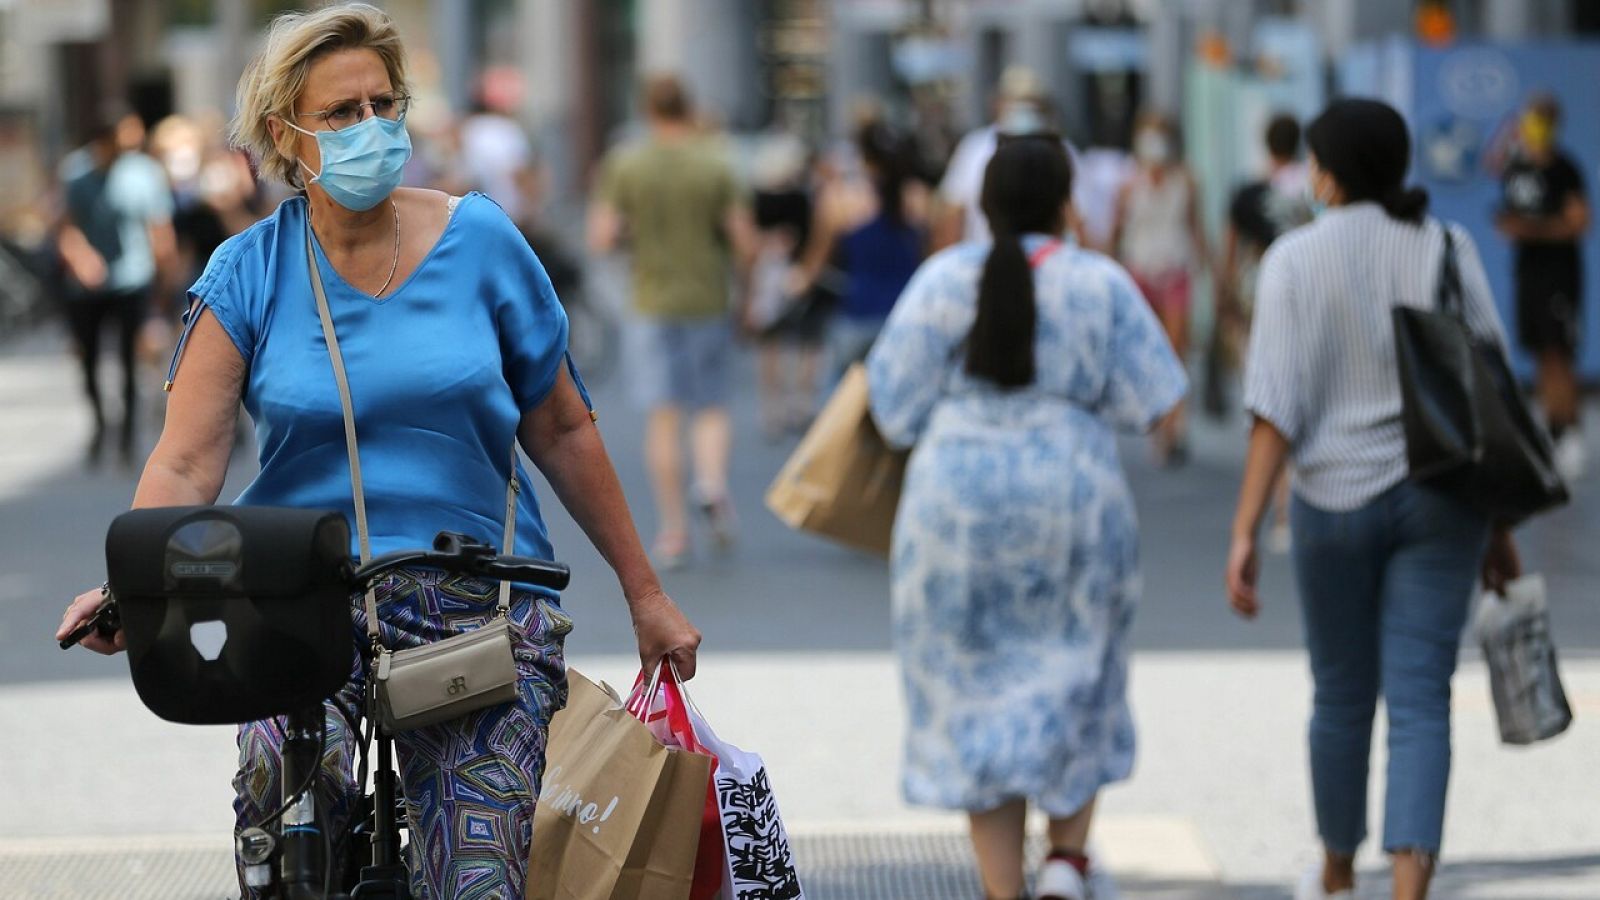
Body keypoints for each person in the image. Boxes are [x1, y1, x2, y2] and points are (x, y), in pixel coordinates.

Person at [54, 6, 701, 896]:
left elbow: (561, 427)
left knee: (477, 874)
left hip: (479, 598)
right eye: (341, 113)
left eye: (383, 104)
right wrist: (133, 584)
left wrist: (647, 594)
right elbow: (185, 461)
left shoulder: (482, 241)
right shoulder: (247, 271)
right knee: (283, 836)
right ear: (286, 135)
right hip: (297, 604)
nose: (371, 128)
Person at [868, 134, 1186, 900]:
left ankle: (1005, 888)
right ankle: (1069, 864)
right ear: (1067, 203)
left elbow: (892, 410)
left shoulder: (943, 281)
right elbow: (1156, 399)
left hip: (955, 505)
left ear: (982, 205)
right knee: (1081, 668)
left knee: (973, 688)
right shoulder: (1099, 283)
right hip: (1074, 495)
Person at [1225, 99, 1520, 900]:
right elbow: (1487, 385)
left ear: (1326, 172)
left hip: (1330, 501)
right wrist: (1499, 526)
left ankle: (1334, 871)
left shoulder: (1291, 259)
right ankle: (1407, 887)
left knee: (1342, 695)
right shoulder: (1449, 248)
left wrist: (1246, 528)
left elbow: (1273, 408)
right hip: (1441, 499)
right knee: (1422, 698)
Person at [587, 74, 758, 569]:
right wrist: (746, 293)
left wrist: (636, 237)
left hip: (651, 300)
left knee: (663, 415)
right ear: (689, 107)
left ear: (647, 110)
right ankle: (711, 483)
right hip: (708, 296)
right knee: (710, 405)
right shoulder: (716, 160)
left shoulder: (626, 162)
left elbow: (601, 236)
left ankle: (674, 530)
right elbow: (745, 242)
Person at [56, 105, 178, 465]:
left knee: (129, 359)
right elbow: (65, 225)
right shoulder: (76, 173)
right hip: (86, 286)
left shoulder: (143, 173)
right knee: (90, 359)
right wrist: (80, 258)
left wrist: (164, 280)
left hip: (131, 279)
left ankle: (126, 434)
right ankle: (99, 423)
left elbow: (160, 228)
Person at [1219, 113, 1311, 551]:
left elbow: (1230, 249)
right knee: (1298, 391)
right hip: (1305, 295)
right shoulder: (1310, 188)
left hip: (1257, 293)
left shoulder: (1249, 191)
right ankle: (1289, 506)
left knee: (1268, 397)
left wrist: (1225, 300)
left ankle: (1279, 511)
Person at [1495, 93, 1590, 482]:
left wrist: (1535, 230)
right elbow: (1493, 165)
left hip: (1558, 273)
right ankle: (1550, 428)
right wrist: (1510, 133)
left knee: (1558, 353)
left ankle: (1568, 427)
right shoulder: (1516, 167)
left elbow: (1579, 222)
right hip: (1528, 272)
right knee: (1538, 351)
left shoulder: (1565, 169)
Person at [791, 121, 928, 387]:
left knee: (844, 408)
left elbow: (816, 260)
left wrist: (796, 284)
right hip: (907, 315)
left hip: (858, 313)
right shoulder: (917, 196)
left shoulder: (841, 197)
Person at [1112, 110, 1209, 466]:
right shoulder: (1128, 183)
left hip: (1176, 268)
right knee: (1148, 350)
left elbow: (1196, 228)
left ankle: (1175, 426)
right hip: (1140, 270)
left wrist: (1211, 270)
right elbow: (1117, 230)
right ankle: (1157, 421)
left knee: (1176, 348)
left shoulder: (1187, 180)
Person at [934, 65, 1082, 250]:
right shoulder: (974, 148)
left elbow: (1077, 218)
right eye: (1014, 100)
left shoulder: (1064, 150)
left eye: (1030, 101)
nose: (1022, 108)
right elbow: (952, 215)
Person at [748, 132, 827, 439]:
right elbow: (815, 235)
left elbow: (751, 242)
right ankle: (801, 403)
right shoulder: (803, 197)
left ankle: (773, 408)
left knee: (771, 343)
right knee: (807, 340)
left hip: (768, 274)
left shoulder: (759, 197)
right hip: (798, 270)